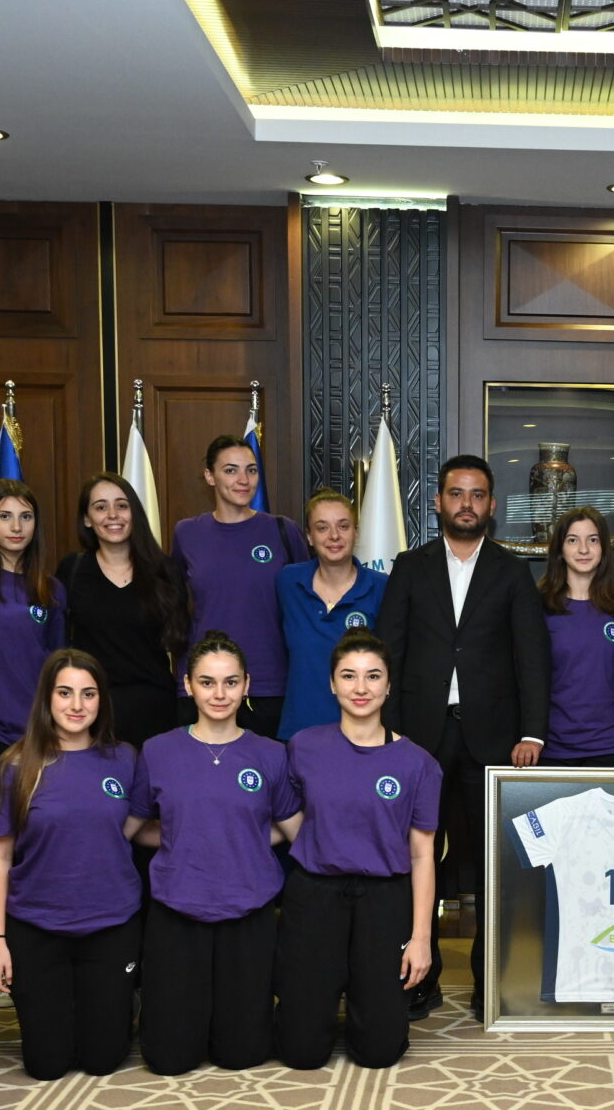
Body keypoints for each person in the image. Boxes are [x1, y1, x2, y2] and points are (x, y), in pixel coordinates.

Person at [373, 455, 551, 1006]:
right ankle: (416, 981)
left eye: (477, 495)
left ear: (491, 505)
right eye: (456, 494)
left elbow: (532, 658)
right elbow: (388, 652)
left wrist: (533, 733)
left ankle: (488, 983)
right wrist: (387, 732)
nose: (466, 504)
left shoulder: (512, 571)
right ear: (438, 502)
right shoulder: (411, 566)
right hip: (417, 737)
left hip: (493, 738)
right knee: (413, 854)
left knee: (492, 862)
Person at [275, 630, 442, 1070]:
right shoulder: (303, 746)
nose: (361, 687)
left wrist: (420, 939)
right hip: (315, 895)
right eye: (348, 676)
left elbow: (422, 856)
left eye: (373, 676)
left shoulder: (418, 763)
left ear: (388, 684)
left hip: (383, 900)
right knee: (301, 1053)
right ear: (332, 684)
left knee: (379, 1053)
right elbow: (289, 818)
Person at [133, 632, 296, 1076]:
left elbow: (292, 828)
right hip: (177, 907)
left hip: (248, 909)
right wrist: (186, 837)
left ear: (247, 685)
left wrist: (239, 837)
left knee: (242, 1055)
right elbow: (136, 826)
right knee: (168, 1060)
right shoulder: (158, 750)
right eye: (207, 682)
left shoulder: (271, 754)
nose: (219, 694)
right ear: (188, 685)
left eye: (230, 682)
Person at [0, 651, 147, 1081]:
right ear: (47, 699)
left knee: (102, 1060)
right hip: (37, 926)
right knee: (46, 1065)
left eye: (88, 694)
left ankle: (117, 1003)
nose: (77, 705)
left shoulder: (125, 759)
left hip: (110, 923)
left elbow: (133, 829)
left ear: (101, 700)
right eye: (65, 693)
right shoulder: (15, 766)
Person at [0, 480, 67, 975]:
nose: (16, 526)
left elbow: (59, 665)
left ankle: (36, 940)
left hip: (38, 736)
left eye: (25, 516)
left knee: (38, 841)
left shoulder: (51, 588)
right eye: (5, 516)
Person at [174, 436, 305, 735]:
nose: (243, 480)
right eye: (231, 470)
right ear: (210, 476)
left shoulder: (283, 530)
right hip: (205, 684)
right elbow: (174, 605)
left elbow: (305, 602)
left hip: (269, 684)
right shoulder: (187, 533)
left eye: (251, 470)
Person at [55, 474, 188, 747]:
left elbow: (181, 641)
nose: (112, 514)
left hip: (156, 711)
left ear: (134, 513)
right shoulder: (72, 571)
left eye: (122, 505)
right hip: (92, 712)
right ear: (87, 519)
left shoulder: (164, 571)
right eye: (101, 507)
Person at [275, 489, 385, 739]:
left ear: (356, 533)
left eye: (343, 526)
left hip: (362, 733)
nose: (334, 535)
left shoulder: (382, 588)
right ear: (309, 536)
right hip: (299, 731)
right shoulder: (288, 582)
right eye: (322, 527)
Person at [538, 505, 614, 766]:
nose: (583, 550)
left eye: (593, 540)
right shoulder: (537, 607)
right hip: (551, 749)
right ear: (559, 548)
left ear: (604, 548)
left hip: (612, 746)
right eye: (572, 540)